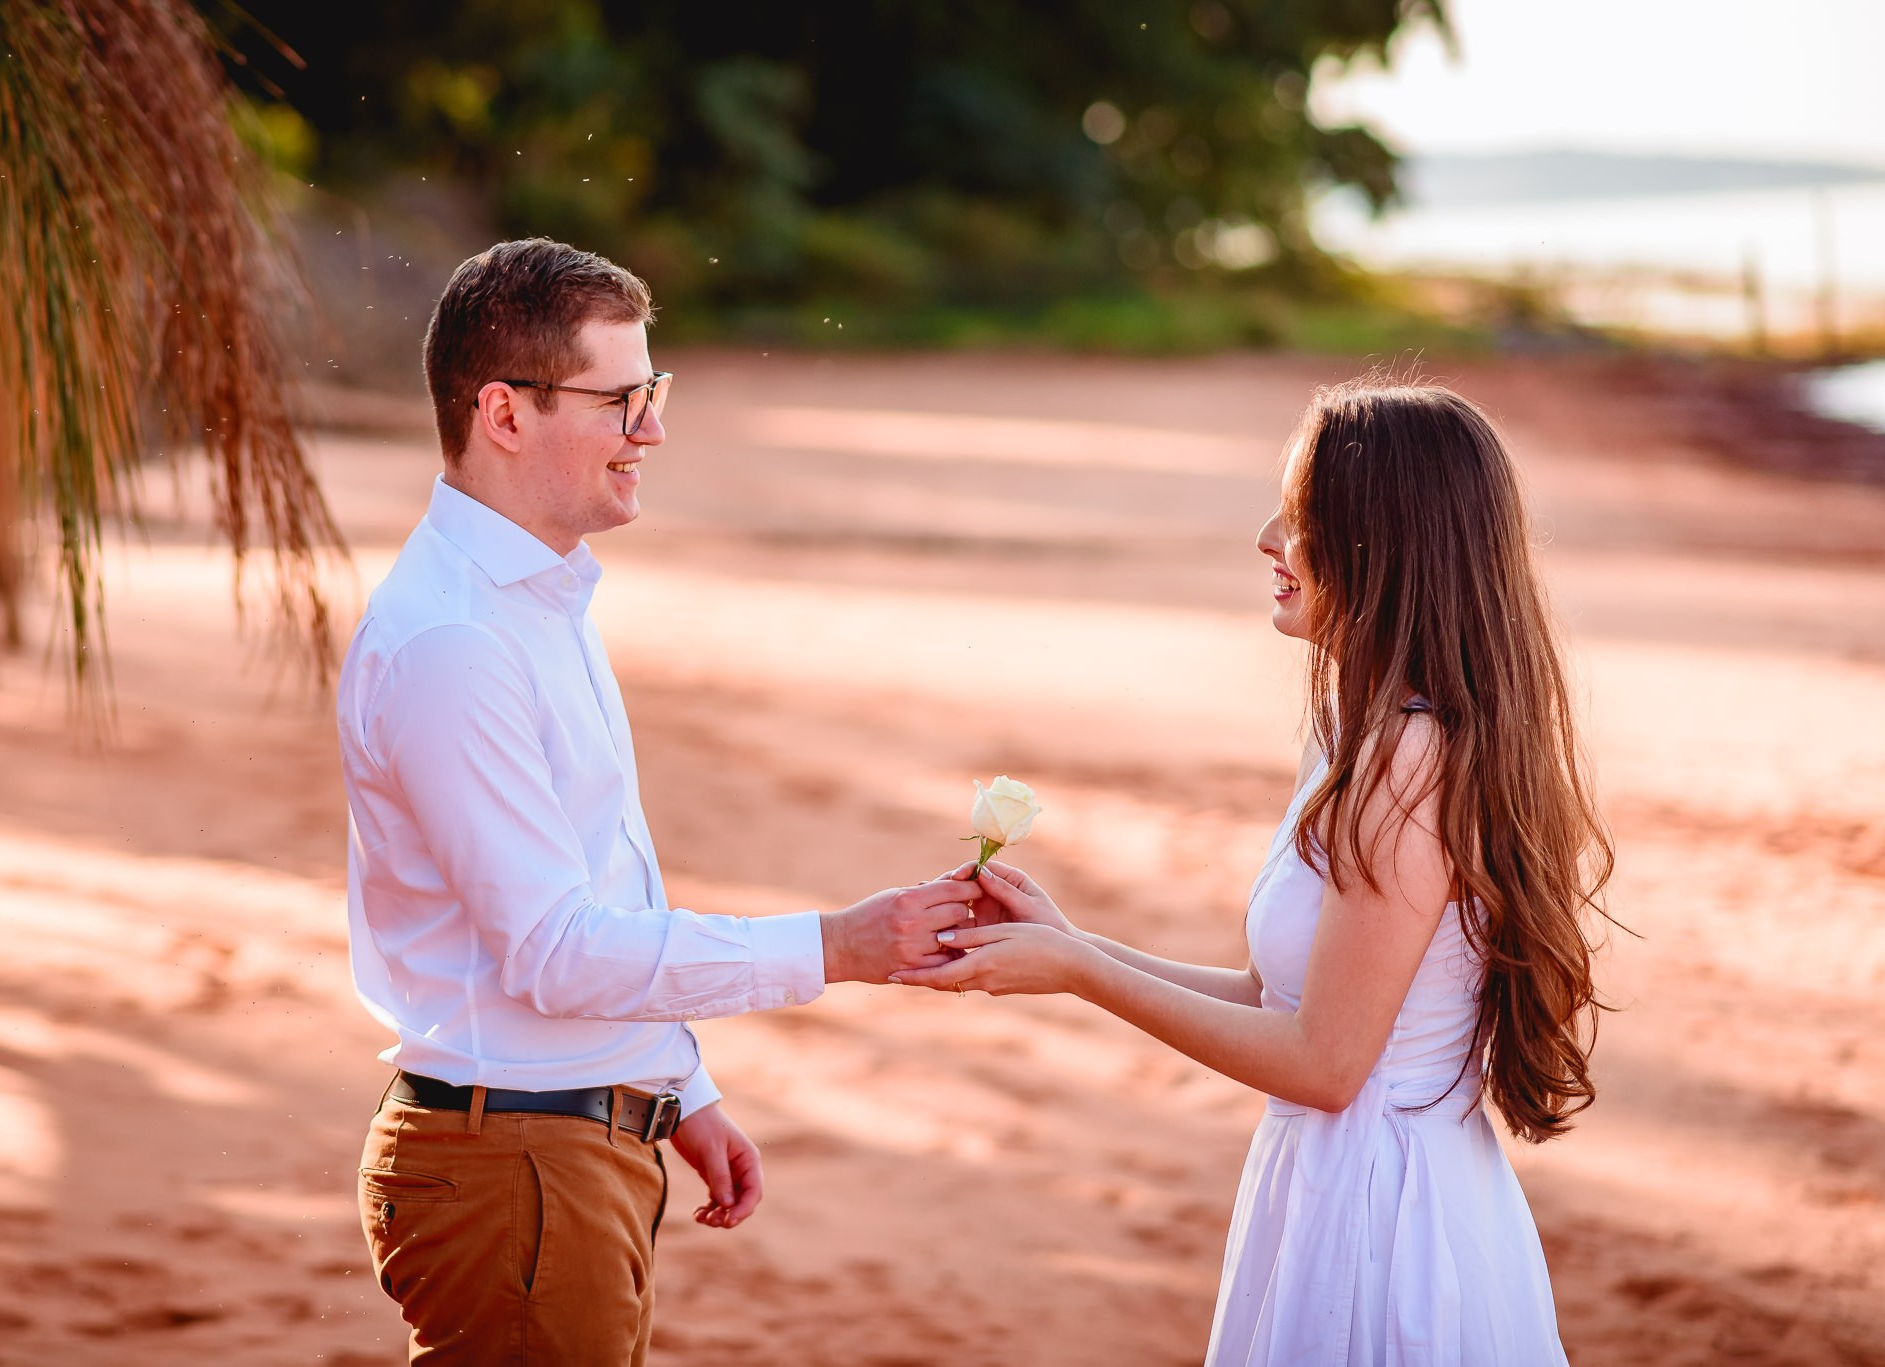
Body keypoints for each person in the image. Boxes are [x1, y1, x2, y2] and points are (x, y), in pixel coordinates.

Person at [336, 237, 980, 1364]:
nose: (653, 430)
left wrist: (677, 1086)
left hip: (561, 1147)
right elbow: (551, 948)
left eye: (654, 391)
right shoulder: (457, 639)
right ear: (504, 413)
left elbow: (596, 876)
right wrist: (836, 943)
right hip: (514, 1166)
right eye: (623, 398)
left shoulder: (533, 596)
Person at [900, 380, 1614, 1364]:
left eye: (1303, 513)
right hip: (1334, 1184)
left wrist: (1078, 974)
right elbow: (1276, 997)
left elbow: (1323, 1064)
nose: (1267, 535)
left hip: (1381, 1216)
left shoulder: (1404, 760)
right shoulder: (1359, 737)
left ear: (1382, 540)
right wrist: (1069, 944)